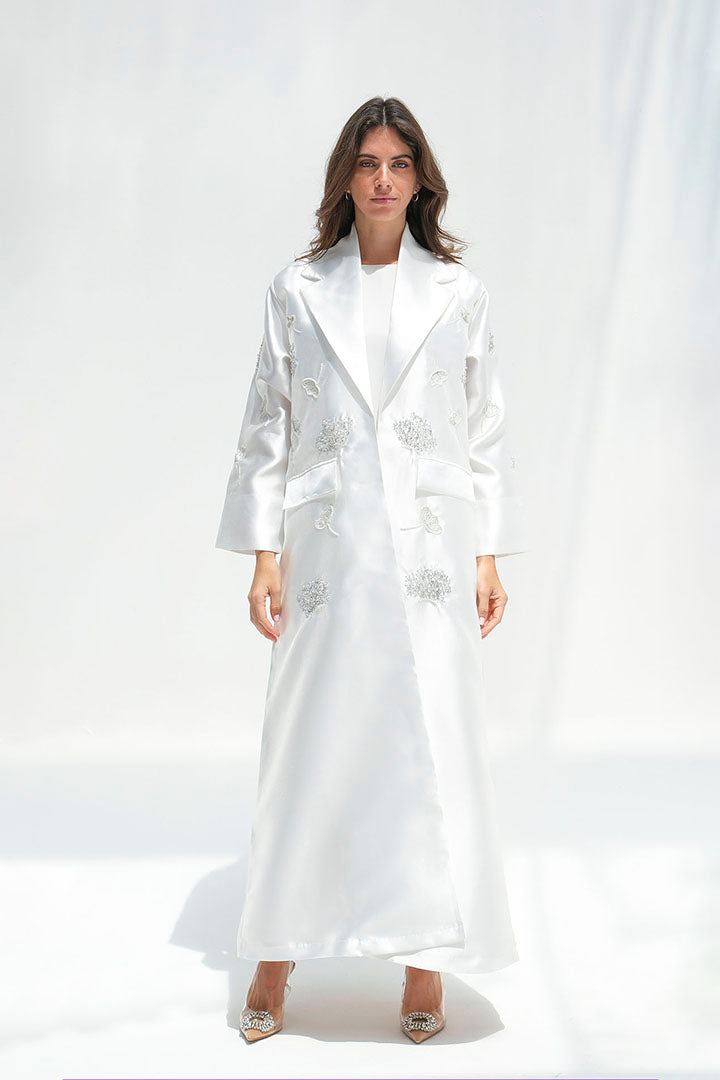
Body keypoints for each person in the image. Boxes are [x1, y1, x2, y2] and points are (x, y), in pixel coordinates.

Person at [215, 96, 530, 1044]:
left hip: (431, 548)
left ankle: (424, 962)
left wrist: (486, 553)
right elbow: (267, 422)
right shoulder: (298, 289)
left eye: (398, 163)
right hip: (329, 545)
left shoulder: (459, 293)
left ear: (420, 177)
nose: (383, 179)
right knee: (311, 739)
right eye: (367, 163)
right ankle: (276, 948)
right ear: (345, 178)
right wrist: (263, 554)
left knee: (430, 735)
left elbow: (485, 427)